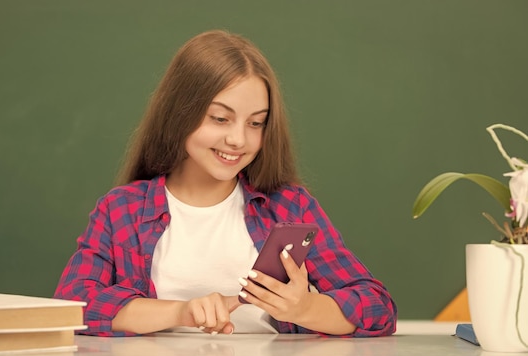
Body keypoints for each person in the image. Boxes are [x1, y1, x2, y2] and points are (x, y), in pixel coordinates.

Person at [54, 29, 397, 337]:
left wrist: (305, 308)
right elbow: (73, 305)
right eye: (220, 118)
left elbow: (377, 307)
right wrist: (180, 311)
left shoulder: (289, 207)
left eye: (256, 123)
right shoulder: (121, 210)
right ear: (180, 113)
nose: (238, 139)